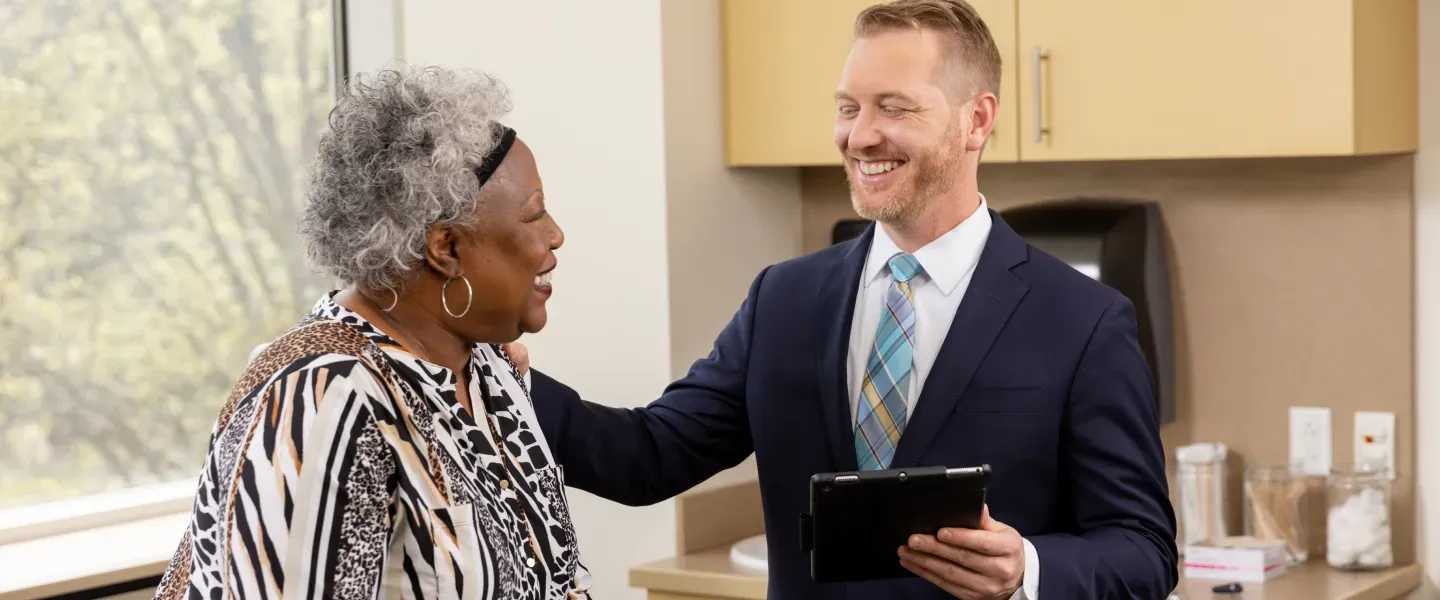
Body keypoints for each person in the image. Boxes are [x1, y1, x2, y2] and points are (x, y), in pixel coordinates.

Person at [511, 1, 1178, 598]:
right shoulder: (784, 299)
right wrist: (501, 384)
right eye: (848, 107)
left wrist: (1025, 568)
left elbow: (1143, 550)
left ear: (976, 121)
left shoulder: (1084, 322)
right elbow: (648, 455)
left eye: (894, 108)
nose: (859, 136)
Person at [153, 65, 589, 600]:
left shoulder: (485, 367)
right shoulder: (323, 400)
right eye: (535, 215)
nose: (556, 235)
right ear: (446, 248)